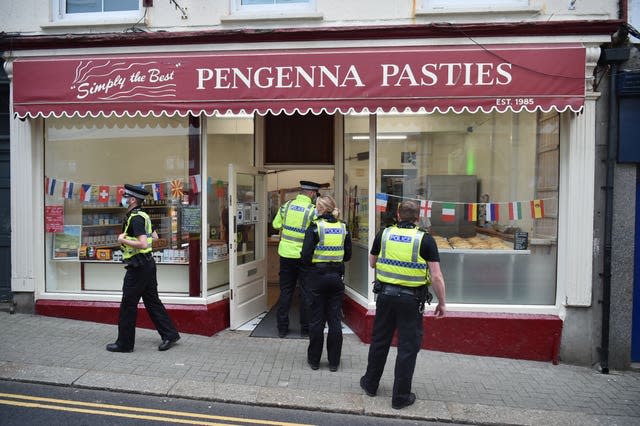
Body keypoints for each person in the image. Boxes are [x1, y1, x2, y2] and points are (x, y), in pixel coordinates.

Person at [360, 200, 446, 409]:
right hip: (411, 300)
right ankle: (400, 397)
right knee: (407, 348)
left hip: (386, 298)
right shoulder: (425, 240)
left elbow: (372, 262)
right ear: (418, 217)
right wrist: (442, 303)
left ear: (398, 214)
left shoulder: (384, 234)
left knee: (380, 341)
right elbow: (436, 276)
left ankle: (370, 384)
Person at [106, 184, 181, 353]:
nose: (123, 199)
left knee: (128, 304)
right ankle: (170, 334)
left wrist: (123, 241)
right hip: (147, 264)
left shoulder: (136, 218)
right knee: (152, 301)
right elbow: (154, 238)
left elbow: (142, 243)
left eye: (125, 196)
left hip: (138, 266)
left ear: (132, 200)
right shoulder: (143, 215)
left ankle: (124, 344)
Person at [301, 195, 352, 371]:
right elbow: (348, 255)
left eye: (316, 207)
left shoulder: (314, 227)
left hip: (317, 277)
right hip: (336, 277)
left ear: (321, 209)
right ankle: (334, 362)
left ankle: (314, 361)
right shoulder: (343, 227)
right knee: (335, 320)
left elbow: (305, 256)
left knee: (316, 320)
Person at [271, 180, 320, 338]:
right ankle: (305, 329)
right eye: (315, 194)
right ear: (312, 193)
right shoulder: (312, 210)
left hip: (286, 255)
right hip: (303, 257)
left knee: (286, 291)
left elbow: (276, 224)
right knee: (305, 293)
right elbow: (318, 232)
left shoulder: (286, 206)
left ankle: (282, 328)